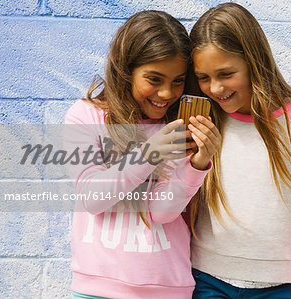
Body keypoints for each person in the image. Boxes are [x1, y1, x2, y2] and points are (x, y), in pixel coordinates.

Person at [64, 10, 220, 299]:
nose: (165, 94)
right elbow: (92, 198)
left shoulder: (175, 126)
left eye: (177, 81)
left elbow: (162, 214)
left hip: (167, 287)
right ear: (126, 70)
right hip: (97, 288)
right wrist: (150, 153)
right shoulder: (86, 116)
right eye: (154, 79)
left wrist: (197, 165)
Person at [188, 3, 291, 299]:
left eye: (226, 73)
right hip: (207, 281)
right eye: (204, 77)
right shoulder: (203, 119)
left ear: (254, 62)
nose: (215, 88)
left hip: (281, 287)